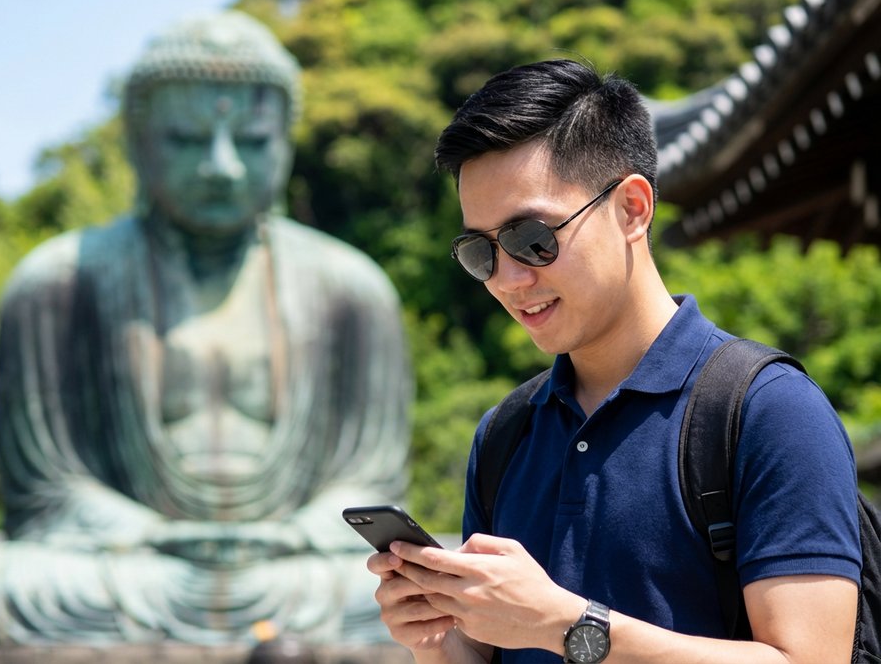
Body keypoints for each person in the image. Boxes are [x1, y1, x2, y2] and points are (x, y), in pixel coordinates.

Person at [367, 59, 861, 663]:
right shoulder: (505, 434)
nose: (510, 279)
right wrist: (440, 640)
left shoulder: (769, 410)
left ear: (632, 208)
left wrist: (568, 625)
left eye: (532, 238)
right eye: (480, 252)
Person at [0, 10, 411, 645]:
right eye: (186, 141)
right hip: (132, 568)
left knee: (408, 587)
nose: (221, 167)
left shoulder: (352, 290)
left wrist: (295, 534)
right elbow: (46, 492)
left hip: (299, 569)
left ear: (286, 143)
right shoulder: (58, 282)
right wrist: (149, 535)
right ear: (137, 141)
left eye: (251, 142)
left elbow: (370, 482)